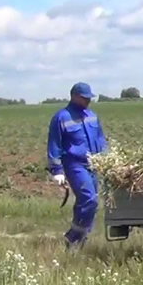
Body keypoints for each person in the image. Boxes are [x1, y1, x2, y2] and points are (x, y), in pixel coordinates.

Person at [46, 82, 107, 250]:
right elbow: (54, 144)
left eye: (89, 98)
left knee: (87, 204)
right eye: (85, 98)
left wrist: (107, 159)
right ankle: (73, 237)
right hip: (75, 165)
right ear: (74, 96)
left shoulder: (92, 115)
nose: (88, 101)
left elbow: (100, 139)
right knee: (90, 200)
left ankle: (79, 240)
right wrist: (57, 171)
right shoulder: (61, 117)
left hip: (94, 164)